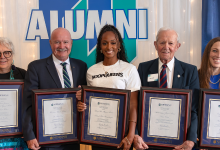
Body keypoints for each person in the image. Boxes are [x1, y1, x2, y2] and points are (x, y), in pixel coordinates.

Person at [77, 24, 142, 150]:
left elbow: (133, 105)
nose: (109, 47)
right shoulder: (91, 71)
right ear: (100, 47)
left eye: (113, 43)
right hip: (97, 132)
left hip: (122, 133)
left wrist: (131, 133)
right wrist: (82, 105)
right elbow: (90, 102)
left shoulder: (130, 69)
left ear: (119, 46)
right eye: (104, 43)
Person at [135, 27, 200, 150]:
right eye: (162, 42)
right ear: (155, 44)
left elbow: (194, 110)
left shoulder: (190, 71)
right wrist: (136, 134)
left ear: (177, 46)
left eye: (171, 43)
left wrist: (191, 140)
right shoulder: (143, 68)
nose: (166, 47)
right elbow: (138, 106)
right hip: (149, 142)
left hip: (180, 143)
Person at [22, 28, 87, 150]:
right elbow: (27, 104)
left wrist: (82, 98)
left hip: (73, 137)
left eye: (66, 42)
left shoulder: (81, 66)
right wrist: (29, 136)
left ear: (71, 43)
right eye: (57, 42)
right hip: (46, 139)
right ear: (50, 43)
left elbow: (85, 101)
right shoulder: (35, 67)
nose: (62, 46)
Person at [0, 37, 28, 150]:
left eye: (7, 53)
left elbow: (30, 104)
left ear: (12, 55)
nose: (2, 57)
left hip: (17, 135)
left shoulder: (23, 75)